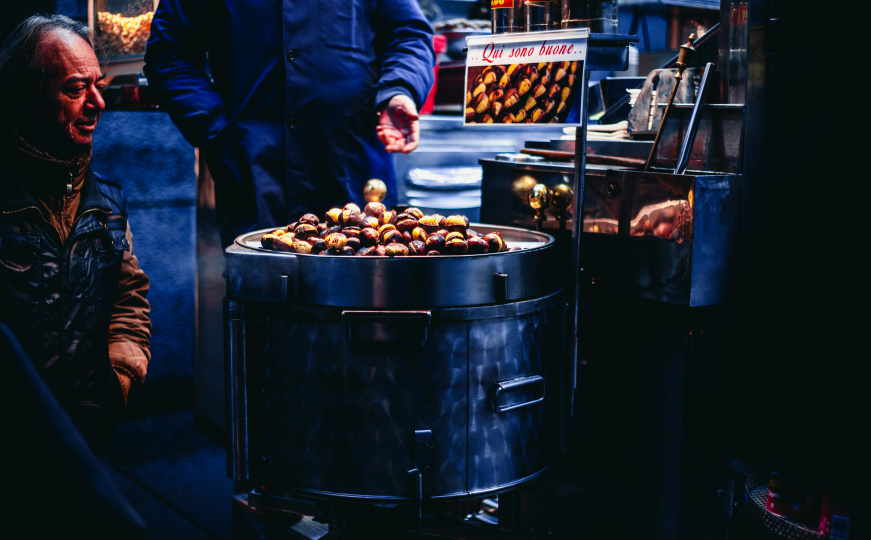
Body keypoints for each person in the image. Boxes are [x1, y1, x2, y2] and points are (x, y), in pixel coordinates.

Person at [143, 0, 437, 248]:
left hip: (355, 172)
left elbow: (409, 36)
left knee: (367, 301)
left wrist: (399, 89)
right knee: (264, 304)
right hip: (254, 175)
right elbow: (169, 57)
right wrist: (219, 133)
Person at [0, 14, 152, 452]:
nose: (98, 103)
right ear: (27, 97)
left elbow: (129, 298)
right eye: (74, 88)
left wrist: (119, 381)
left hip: (88, 440)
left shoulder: (107, 204)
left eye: (98, 85)